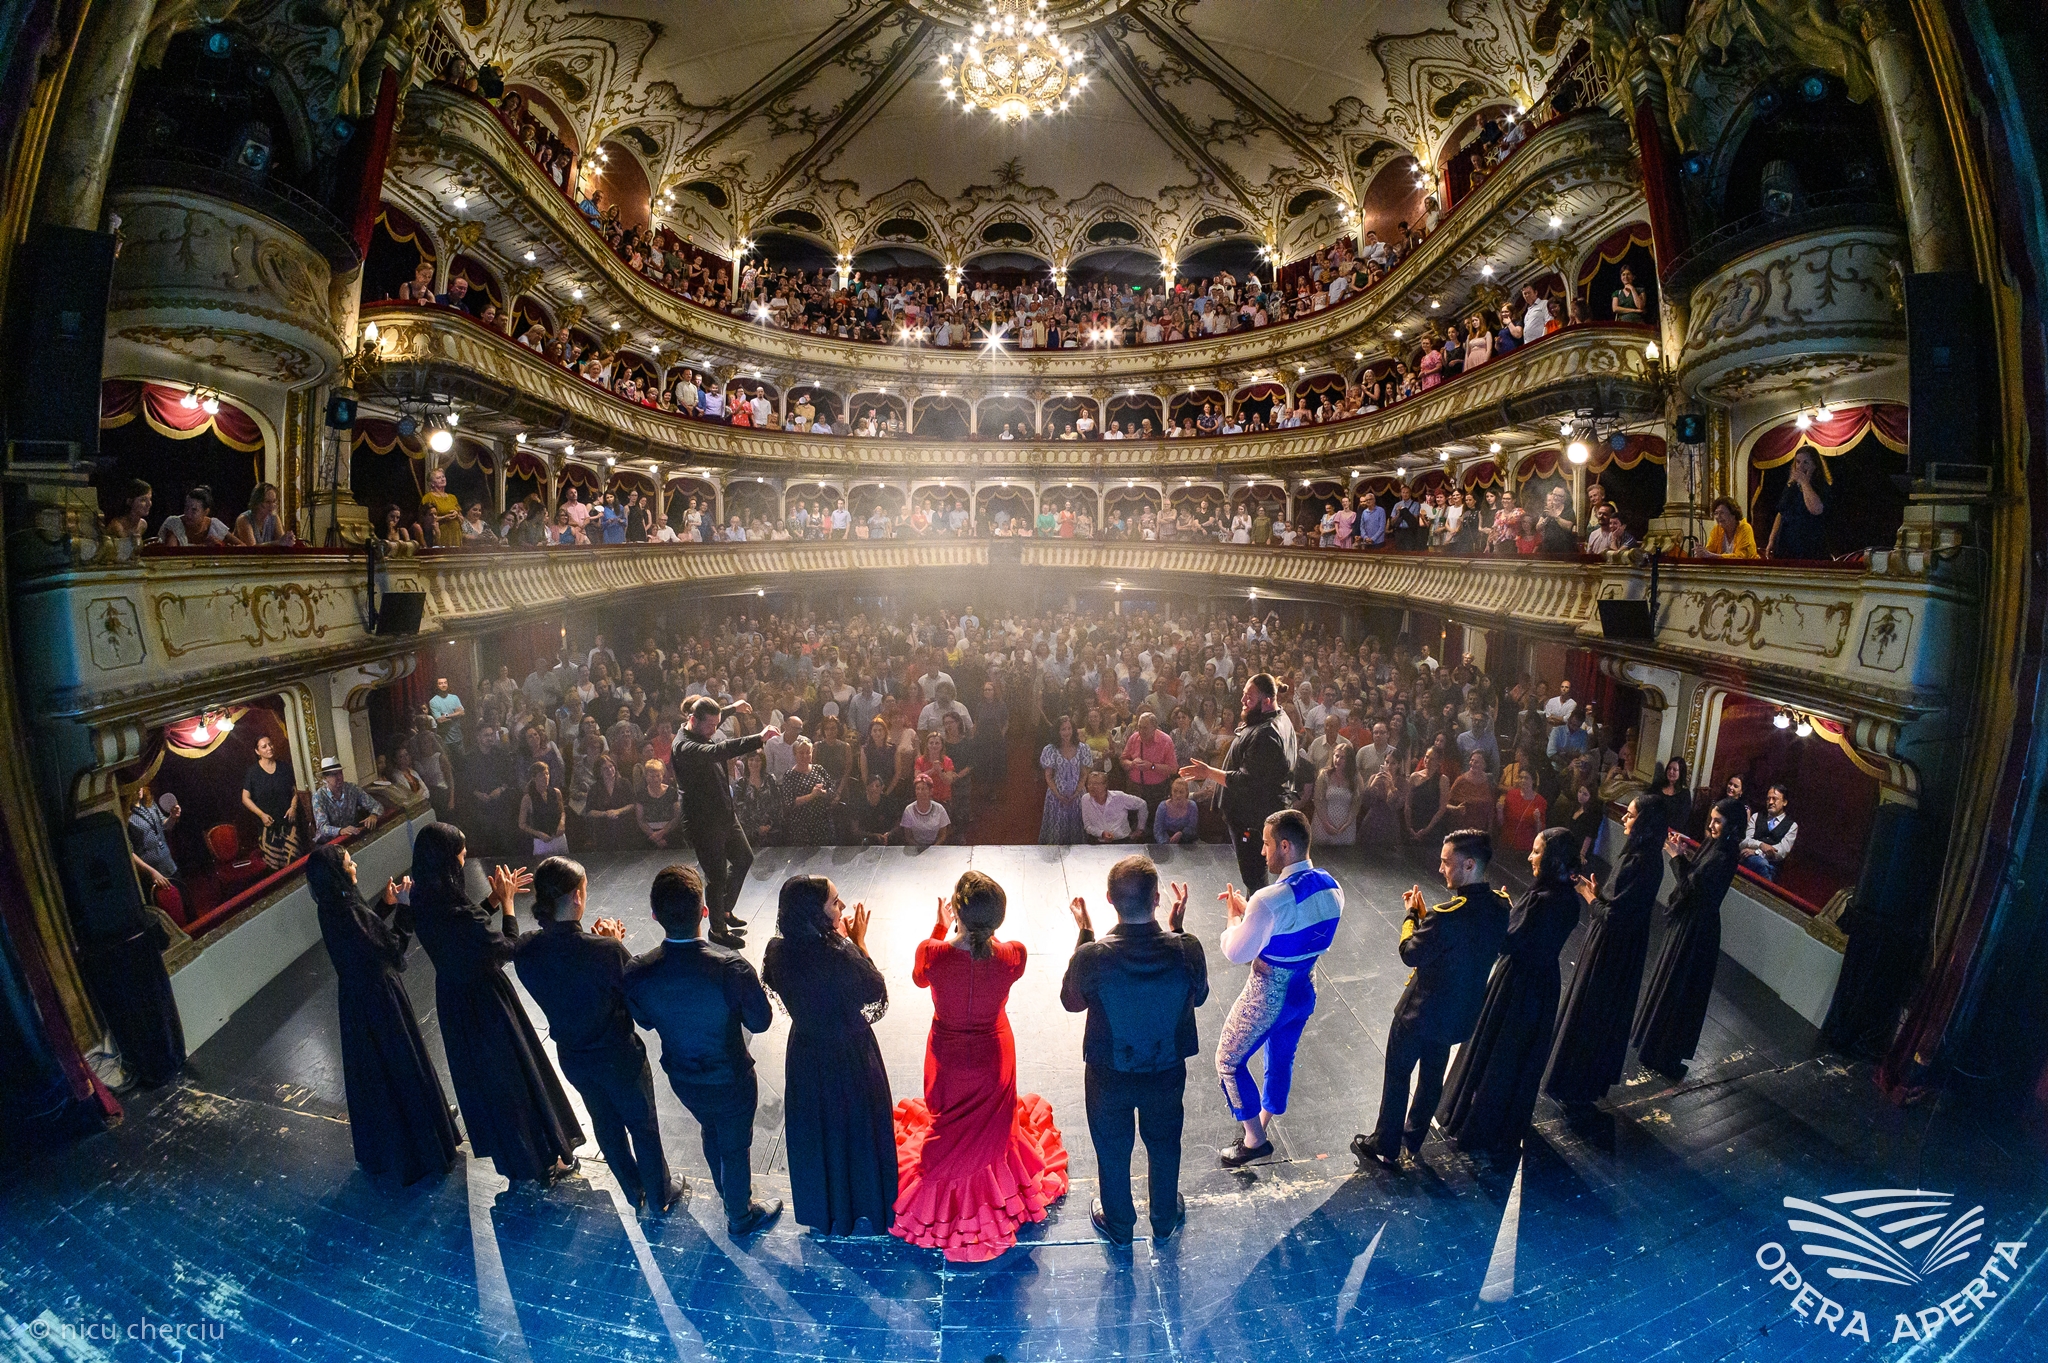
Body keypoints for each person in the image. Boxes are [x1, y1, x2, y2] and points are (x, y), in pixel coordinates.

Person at [891, 871, 1069, 1262]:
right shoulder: (1014, 955)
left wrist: (942, 927)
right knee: (996, 1127)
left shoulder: (931, 953)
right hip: (994, 1053)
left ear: (956, 909)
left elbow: (920, 978)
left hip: (947, 1056)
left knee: (945, 1119)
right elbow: (993, 954)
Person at [408, 823, 583, 1182]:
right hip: (485, 1001)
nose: (464, 859)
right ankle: (542, 1158)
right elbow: (506, 949)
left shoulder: (423, 898)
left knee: (484, 1082)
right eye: (461, 853)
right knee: (513, 1079)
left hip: (453, 999)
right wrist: (508, 906)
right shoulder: (457, 911)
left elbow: (465, 933)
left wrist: (490, 902)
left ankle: (513, 1158)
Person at [513, 857, 682, 1214]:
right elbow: (639, 995)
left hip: (573, 1056)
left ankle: (633, 1190)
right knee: (642, 1125)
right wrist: (613, 944)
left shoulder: (526, 948)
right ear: (577, 896)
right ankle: (660, 1194)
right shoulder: (605, 952)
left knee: (605, 1125)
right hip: (617, 1055)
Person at [625, 866, 781, 1235]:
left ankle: (728, 1191)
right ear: (704, 912)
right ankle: (739, 1215)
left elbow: (644, 1020)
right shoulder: (731, 968)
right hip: (730, 1076)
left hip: (682, 1076)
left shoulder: (637, 970)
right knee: (736, 1145)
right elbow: (760, 1022)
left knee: (710, 1130)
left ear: (655, 916)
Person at [1062, 857, 1207, 1244]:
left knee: (1112, 1148)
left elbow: (1071, 1002)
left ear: (1109, 898)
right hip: (1165, 1070)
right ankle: (1163, 1218)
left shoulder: (1093, 956)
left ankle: (1120, 1224)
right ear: (1157, 898)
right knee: (1164, 1143)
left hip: (1109, 1073)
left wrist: (1085, 935)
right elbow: (1199, 996)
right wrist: (1178, 931)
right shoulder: (1187, 949)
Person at [1355, 829, 1511, 1168]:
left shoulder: (1446, 914)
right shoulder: (1501, 906)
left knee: (1398, 1075)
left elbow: (1410, 953)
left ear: (1469, 865)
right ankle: (1413, 1140)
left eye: (1446, 862)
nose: (1441, 869)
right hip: (1455, 1015)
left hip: (1419, 1012)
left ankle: (1386, 1143)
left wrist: (1413, 915)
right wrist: (1430, 920)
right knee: (1431, 1078)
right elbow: (1461, 944)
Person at [307, 845, 456, 1185]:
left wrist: (384, 906)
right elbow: (391, 949)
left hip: (356, 1001)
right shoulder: (347, 909)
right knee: (401, 1062)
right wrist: (404, 909)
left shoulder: (331, 906)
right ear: (337, 873)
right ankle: (422, 1136)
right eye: (349, 863)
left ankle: (394, 1140)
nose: (354, 866)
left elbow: (364, 935)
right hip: (379, 997)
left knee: (376, 1073)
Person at [760, 876, 897, 1236]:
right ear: (814, 913)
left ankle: (824, 1207)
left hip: (806, 1052)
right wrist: (858, 942)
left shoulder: (777, 951)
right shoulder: (841, 956)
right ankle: (866, 1200)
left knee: (818, 1129)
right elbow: (875, 991)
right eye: (835, 902)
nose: (843, 907)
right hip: (849, 1054)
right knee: (856, 1125)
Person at [1435, 828, 1582, 1156]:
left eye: (1537, 852)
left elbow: (1510, 942)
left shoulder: (1542, 899)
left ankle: (1478, 1124)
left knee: (1497, 1053)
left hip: (1517, 985)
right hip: (1542, 986)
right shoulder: (1567, 899)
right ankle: (1503, 1124)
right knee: (1517, 1059)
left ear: (1552, 858)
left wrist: (1500, 915)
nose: (1530, 857)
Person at [1213, 810, 1343, 1167]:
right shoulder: (1333, 886)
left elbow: (1237, 952)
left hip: (1269, 995)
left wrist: (1235, 917)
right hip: (1304, 989)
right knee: (1281, 1055)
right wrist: (1254, 917)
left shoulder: (1269, 899)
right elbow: (1293, 928)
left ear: (1285, 846)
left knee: (1227, 1060)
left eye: (1266, 843)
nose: (1262, 851)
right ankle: (1262, 1123)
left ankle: (1254, 1140)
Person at [1545, 795, 1669, 1104]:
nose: (1625, 819)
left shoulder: (1643, 861)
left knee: (1593, 1010)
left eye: (1631, 815)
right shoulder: (1640, 855)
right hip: (1615, 944)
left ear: (1645, 822)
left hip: (1614, 949)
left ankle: (1577, 1080)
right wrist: (1601, 894)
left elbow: (1615, 917)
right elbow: (1620, 902)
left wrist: (1589, 897)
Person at [1633, 798, 1748, 1079]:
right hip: (1690, 923)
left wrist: (1676, 857)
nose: (1712, 824)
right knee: (1671, 983)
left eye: (1718, 821)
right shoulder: (1713, 845)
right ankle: (1655, 1047)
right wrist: (1682, 856)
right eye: (1711, 818)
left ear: (1731, 825)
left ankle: (1664, 1052)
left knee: (1680, 990)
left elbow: (1692, 888)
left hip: (1698, 931)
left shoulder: (1725, 855)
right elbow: (1693, 879)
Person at [670, 696, 777, 947]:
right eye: (710, 726)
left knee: (744, 858)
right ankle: (717, 930)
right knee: (716, 876)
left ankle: (724, 909)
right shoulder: (685, 747)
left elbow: (712, 719)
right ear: (692, 720)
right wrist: (758, 738)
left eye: (716, 724)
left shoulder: (701, 726)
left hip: (724, 814)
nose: (714, 730)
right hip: (703, 822)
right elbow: (719, 750)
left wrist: (733, 708)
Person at [1180, 673, 1293, 891]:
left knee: (1254, 875)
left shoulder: (1266, 734)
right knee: (1255, 874)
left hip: (1252, 817)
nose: (1243, 700)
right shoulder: (1277, 718)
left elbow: (1246, 781)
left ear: (1267, 700)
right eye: (1243, 694)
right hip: (1257, 813)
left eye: (1249, 697)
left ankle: (1257, 910)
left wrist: (1208, 772)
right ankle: (1256, 906)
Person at [240, 733, 301, 870]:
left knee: (295, 863)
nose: (269, 748)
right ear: (257, 751)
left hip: (288, 823)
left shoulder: (284, 767)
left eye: (270, 744)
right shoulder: (253, 772)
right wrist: (261, 814)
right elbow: (245, 798)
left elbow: (295, 790)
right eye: (264, 746)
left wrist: (293, 807)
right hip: (268, 826)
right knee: (275, 868)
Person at [1765, 448, 1829, 559]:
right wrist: (1772, 539)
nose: (1800, 466)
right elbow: (1781, 513)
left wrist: (1805, 482)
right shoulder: (1791, 487)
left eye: (1806, 462)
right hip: (1786, 544)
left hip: (1808, 545)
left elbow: (1816, 509)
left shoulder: (1820, 486)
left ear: (1815, 465)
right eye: (1798, 462)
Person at [1039, 714, 1088, 844]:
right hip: (1056, 798)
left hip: (1077, 797)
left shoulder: (1082, 748)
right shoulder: (1050, 750)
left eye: (1069, 728)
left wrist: (1076, 793)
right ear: (1057, 731)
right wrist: (1058, 795)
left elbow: (1084, 774)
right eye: (1063, 729)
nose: (1067, 732)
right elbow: (1048, 776)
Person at [311, 756, 383, 844]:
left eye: (340, 773)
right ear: (325, 778)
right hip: (329, 843)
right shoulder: (319, 797)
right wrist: (340, 830)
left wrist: (374, 815)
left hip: (351, 837)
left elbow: (377, 805)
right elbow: (322, 827)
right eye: (334, 774)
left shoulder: (352, 789)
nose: (339, 777)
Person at [1119, 710, 1178, 813]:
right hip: (1135, 789)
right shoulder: (1134, 738)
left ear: (1154, 727)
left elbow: (1173, 769)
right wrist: (1132, 764)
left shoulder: (1166, 741)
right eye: (1139, 727)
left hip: (1157, 791)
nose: (1141, 731)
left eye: (1145, 728)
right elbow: (1123, 760)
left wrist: (1152, 766)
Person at [1738, 784, 1797, 881]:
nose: (1770, 802)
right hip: (1749, 860)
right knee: (1760, 863)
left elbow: (1781, 852)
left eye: (1775, 799)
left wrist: (1757, 852)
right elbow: (1744, 841)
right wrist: (1761, 845)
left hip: (1772, 865)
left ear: (1784, 802)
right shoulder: (1756, 816)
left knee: (1764, 865)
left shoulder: (1792, 826)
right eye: (1768, 799)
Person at [1080, 769, 1148, 843]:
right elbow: (1087, 825)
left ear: (1105, 785)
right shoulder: (1085, 799)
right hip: (1098, 842)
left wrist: (1140, 829)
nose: (1091, 787)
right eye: (1089, 784)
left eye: (1096, 784)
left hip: (1122, 841)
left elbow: (1142, 804)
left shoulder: (1119, 797)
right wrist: (1101, 833)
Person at [231, 482, 297, 547]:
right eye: (267, 502)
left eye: (274, 501)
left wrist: (288, 540)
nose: (272, 505)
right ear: (257, 502)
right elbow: (251, 548)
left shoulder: (274, 518)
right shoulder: (244, 519)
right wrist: (278, 542)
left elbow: (281, 543)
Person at [159, 485, 229, 545]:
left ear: (206, 512)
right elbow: (172, 553)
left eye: (194, 510)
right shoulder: (175, 524)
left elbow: (236, 547)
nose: (188, 514)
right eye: (186, 508)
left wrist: (220, 545)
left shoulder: (214, 525)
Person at [898, 772, 952, 846]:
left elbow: (942, 835)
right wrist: (919, 848)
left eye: (923, 789)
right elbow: (908, 836)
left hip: (935, 847)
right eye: (918, 789)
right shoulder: (909, 810)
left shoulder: (939, 809)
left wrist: (933, 848)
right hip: (915, 847)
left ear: (930, 791)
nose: (920, 792)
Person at [1152, 777, 1202, 844]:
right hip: (1165, 842)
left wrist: (1181, 834)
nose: (1178, 795)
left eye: (1181, 792)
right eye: (1175, 791)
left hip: (1187, 841)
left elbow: (1192, 828)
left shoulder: (1192, 806)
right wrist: (1166, 843)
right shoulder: (1162, 806)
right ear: (1171, 792)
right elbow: (1158, 830)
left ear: (1186, 793)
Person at [422, 467, 462, 547]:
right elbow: (425, 521)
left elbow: (462, 519)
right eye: (438, 478)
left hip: (455, 535)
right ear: (432, 483)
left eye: (443, 476)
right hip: (440, 535)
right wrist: (445, 517)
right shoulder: (428, 497)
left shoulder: (452, 497)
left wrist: (457, 515)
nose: (442, 479)